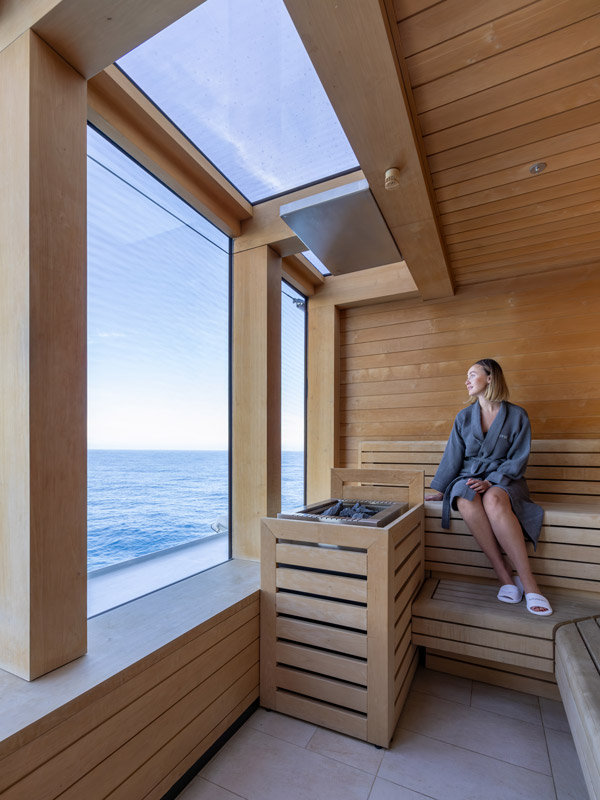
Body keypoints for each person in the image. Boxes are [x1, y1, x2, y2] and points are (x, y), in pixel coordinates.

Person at [425, 359, 552, 616]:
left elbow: (518, 459)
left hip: (506, 479)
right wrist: (440, 488)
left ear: (491, 377)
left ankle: (530, 583)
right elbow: (453, 456)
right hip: (469, 476)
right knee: (463, 496)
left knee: (493, 499)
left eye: (472, 374)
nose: (467, 380)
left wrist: (491, 480)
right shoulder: (463, 417)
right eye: (467, 376)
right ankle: (504, 576)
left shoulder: (517, 415)